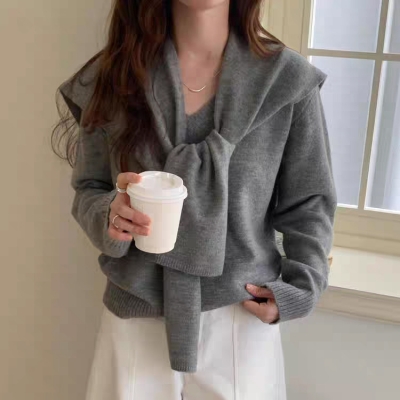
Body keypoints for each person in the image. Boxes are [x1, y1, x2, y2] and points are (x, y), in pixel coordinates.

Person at [53, 1, 337, 399]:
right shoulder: (114, 76)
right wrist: (111, 217)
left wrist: (301, 286)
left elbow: (309, 202)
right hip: (136, 315)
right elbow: (90, 187)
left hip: (240, 316)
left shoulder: (283, 80)